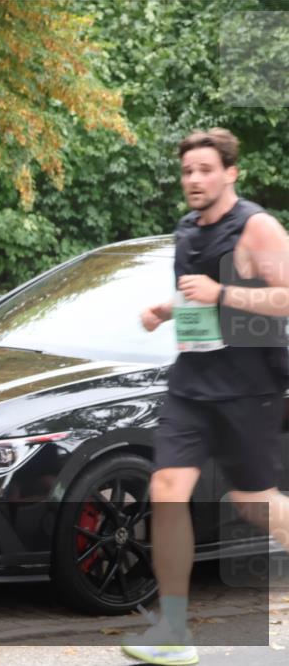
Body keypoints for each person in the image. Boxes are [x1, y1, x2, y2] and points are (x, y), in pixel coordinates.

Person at [127, 128, 289, 665]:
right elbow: (199, 297)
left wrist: (223, 292)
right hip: (192, 384)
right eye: (187, 171)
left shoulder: (256, 227)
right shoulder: (186, 230)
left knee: (253, 502)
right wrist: (167, 310)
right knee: (167, 489)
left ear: (230, 173)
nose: (194, 180)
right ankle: (173, 628)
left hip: (250, 388)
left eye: (205, 170)